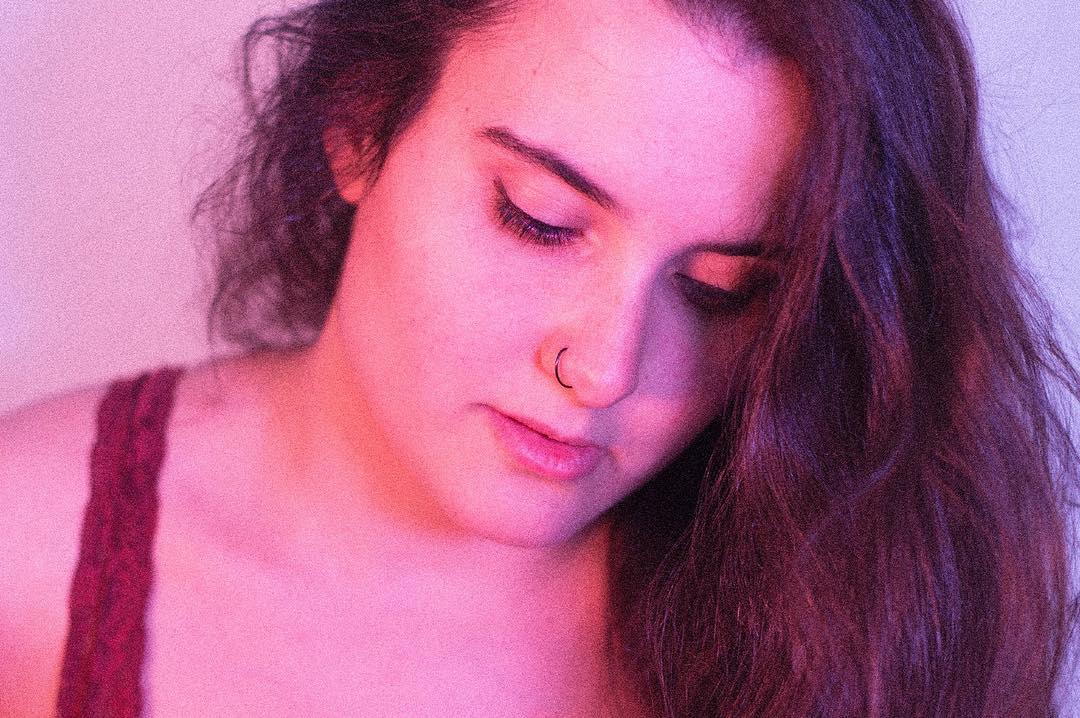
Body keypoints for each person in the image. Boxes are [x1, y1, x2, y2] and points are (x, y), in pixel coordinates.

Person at [1, 0, 1076, 715]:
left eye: (721, 290)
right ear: (361, 125)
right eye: (540, 219)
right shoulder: (26, 556)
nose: (604, 369)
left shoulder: (850, 611)